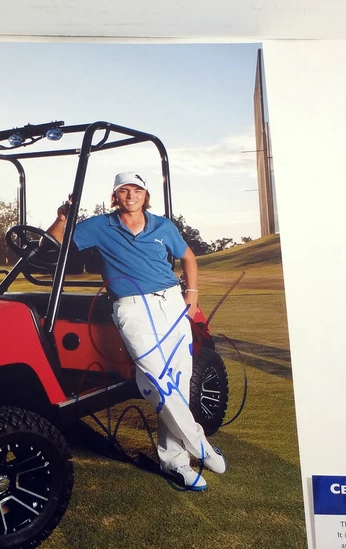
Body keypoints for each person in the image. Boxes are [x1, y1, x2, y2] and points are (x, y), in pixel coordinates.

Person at [45, 172, 226, 490]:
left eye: (137, 190)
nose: (131, 196)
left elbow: (188, 257)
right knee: (154, 378)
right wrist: (62, 218)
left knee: (178, 382)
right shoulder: (100, 226)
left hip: (171, 303)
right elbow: (53, 247)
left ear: (145, 195)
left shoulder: (162, 225)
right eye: (124, 191)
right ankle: (200, 445)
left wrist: (192, 295)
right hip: (131, 307)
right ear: (115, 196)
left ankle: (175, 462)